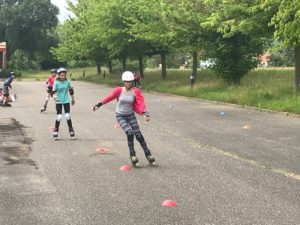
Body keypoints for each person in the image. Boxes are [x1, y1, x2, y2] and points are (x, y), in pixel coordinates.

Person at [93, 71, 155, 167]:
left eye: (130, 81)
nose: (128, 83)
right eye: (126, 81)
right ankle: (132, 155)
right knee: (130, 133)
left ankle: (148, 154)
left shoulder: (136, 91)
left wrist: (145, 113)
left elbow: (141, 103)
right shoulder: (119, 90)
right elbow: (109, 97)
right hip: (120, 116)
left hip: (130, 115)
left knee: (138, 135)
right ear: (123, 81)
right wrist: (99, 104)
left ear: (132, 81)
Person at [52, 68, 75, 140]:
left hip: (66, 100)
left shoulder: (67, 82)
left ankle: (71, 130)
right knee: (59, 116)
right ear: (58, 75)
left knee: (67, 115)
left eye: (64, 75)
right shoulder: (56, 82)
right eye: (61, 75)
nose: (63, 77)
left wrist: (73, 99)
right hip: (58, 100)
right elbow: (53, 92)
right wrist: (55, 97)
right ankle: (55, 130)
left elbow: (71, 90)